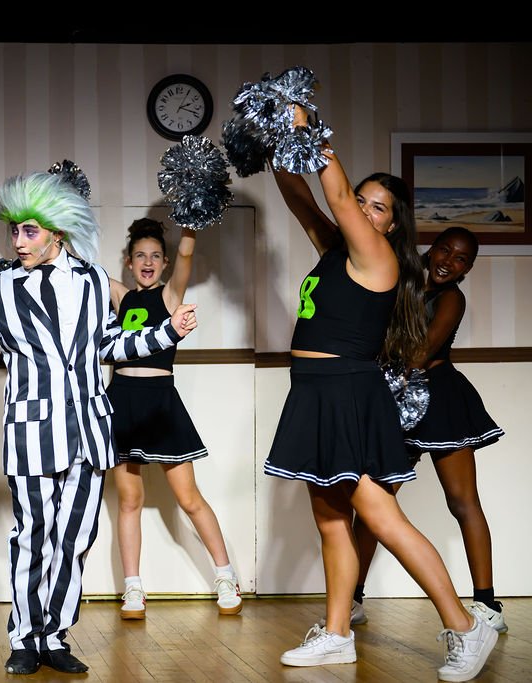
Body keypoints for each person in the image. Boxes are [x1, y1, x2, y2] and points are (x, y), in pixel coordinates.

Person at [0, 172, 197, 675]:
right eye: (14, 231)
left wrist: (165, 332)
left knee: (75, 538)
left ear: (58, 233)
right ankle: (24, 637)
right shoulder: (0, 287)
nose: (18, 241)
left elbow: (111, 347)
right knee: (32, 535)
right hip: (30, 434)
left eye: (29, 231)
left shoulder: (94, 282)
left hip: (90, 433)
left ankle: (55, 635)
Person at [264, 114, 497, 682]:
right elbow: (298, 195)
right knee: (329, 518)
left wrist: (307, 125)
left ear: (392, 226)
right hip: (314, 393)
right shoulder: (336, 251)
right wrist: (273, 140)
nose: (364, 211)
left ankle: (468, 627)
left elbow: (333, 191)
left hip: (347, 393)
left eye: (377, 207)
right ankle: (338, 634)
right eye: (362, 202)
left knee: (381, 518)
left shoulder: (378, 258)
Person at [352, 226, 506, 632]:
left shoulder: (452, 298)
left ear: (467, 269)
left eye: (460, 260)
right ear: (431, 248)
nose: (448, 262)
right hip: (392, 396)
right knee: (373, 506)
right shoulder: (397, 279)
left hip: (438, 400)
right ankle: (352, 598)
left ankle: (487, 604)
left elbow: (420, 353)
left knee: (462, 500)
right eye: (444, 251)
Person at [106, 218, 241, 619]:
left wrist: (193, 217)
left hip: (160, 402)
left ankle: (226, 576)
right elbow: (76, 264)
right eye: (139, 256)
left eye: (154, 256)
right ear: (128, 263)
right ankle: (133, 589)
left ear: (163, 263)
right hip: (122, 401)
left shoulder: (169, 296)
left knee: (189, 499)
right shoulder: (119, 296)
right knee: (130, 501)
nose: (147, 262)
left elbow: (187, 252)